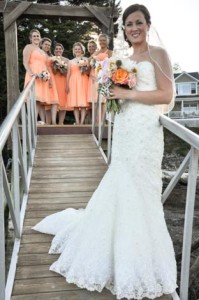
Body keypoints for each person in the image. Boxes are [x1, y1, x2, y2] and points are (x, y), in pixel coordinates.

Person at [33, 4, 178, 300]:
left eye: (139, 23)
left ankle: (141, 253)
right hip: (125, 129)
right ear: (123, 29)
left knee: (143, 189)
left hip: (146, 131)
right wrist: (110, 92)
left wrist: (128, 93)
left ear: (148, 25)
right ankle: (114, 250)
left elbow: (166, 94)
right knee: (121, 183)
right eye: (129, 24)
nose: (134, 28)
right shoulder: (120, 60)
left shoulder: (158, 55)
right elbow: (110, 92)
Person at [23, 29, 50, 124]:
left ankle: (34, 121)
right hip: (33, 76)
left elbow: (45, 65)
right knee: (32, 99)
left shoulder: (41, 51)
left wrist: (47, 75)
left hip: (42, 78)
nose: (36, 37)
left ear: (40, 38)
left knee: (38, 100)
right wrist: (31, 73)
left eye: (37, 36)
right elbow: (25, 62)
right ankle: (30, 121)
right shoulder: (28, 47)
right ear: (30, 38)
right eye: (34, 36)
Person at [67, 42, 89, 125]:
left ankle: (82, 121)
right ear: (73, 50)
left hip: (83, 81)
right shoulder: (70, 61)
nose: (77, 50)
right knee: (75, 103)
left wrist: (84, 68)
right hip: (73, 82)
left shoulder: (86, 59)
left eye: (79, 49)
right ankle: (77, 121)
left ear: (82, 50)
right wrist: (67, 85)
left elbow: (88, 72)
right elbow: (68, 74)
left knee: (83, 103)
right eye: (75, 49)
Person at [40, 37, 59, 125]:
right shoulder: (39, 54)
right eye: (46, 44)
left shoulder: (50, 56)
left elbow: (53, 70)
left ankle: (54, 121)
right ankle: (44, 121)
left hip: (51, 76)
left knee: (54, 100)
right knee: (42, 100)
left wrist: (57, 65)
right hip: (44, 77)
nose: (47, 46)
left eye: (49, 45)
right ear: (41, 45)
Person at [53, 43, 69, 125]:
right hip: (54, 82)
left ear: (62, 50)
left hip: (63, 82)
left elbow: (68, 73)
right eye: (56, 49)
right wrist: (56, 67)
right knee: (54, 102)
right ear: (54, 50)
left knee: (62, 102)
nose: (58, 50)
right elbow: (52, 71)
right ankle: (53, 122)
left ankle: (61, 122)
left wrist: (62, 68)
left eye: (60, 49)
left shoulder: (66, 60)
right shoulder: (52, 59)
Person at [87, 40, 98, 123]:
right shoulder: (88, 58)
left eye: (93, 46)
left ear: (96, 47)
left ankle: (97, 121)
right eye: (89, 46)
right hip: (89, 79)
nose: (91, 48)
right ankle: (91, 122)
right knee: (90, 103)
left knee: (96, 100)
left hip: (97, 78)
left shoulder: (98, 55)